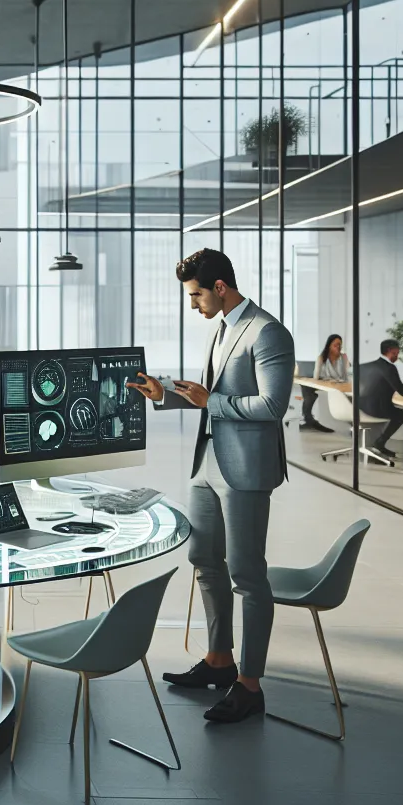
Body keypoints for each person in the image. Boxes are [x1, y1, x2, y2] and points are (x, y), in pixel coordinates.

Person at [126, 248, 294, 724]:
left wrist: (213, 401)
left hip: (244, 471)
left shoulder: (267, 332)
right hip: (207, 465)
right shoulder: (221, 329)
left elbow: (272, 407)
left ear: (220, 287)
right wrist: (163, 395)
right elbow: (207, 401)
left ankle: (250, 685)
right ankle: (221, 661)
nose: (193, 303)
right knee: (203, 560)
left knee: (247, 574)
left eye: (196, 294)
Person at [299, 334, 349, 433]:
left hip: (339, 384)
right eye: (336, 345)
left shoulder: (343, 357)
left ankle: (308, 419)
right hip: (325, 382)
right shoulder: (321, 358)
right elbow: (316, 377)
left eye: (340, 345)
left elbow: (346, 374)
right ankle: (308, 419)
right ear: (329, 345)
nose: (338, 347)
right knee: (307, 389)